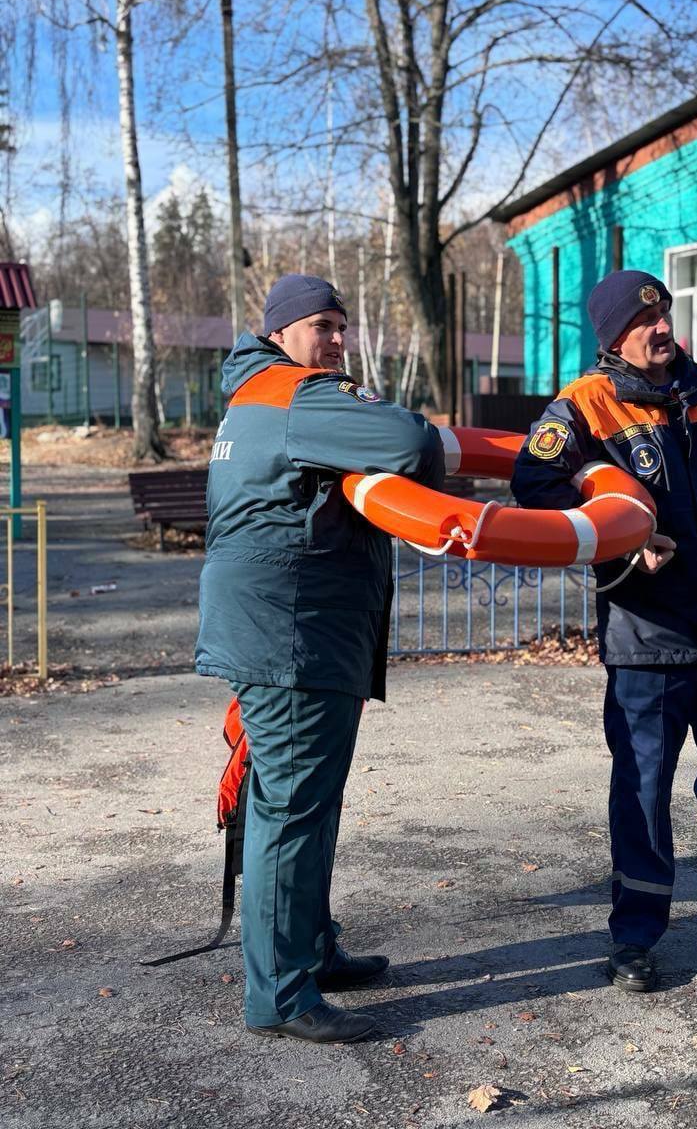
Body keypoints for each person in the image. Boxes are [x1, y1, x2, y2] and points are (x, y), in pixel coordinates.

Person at [511, 269, 697, 992]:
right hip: (645, 636)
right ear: (614, 335)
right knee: (644, 787)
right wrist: (621, 530)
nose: (660, 328)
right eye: (643, 320)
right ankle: (635, 939)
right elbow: (534, 481)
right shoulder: (585, 403)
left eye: (664, 313)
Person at [196, 274, 445, 1043]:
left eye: (341, 326)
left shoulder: (259, 396)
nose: (336, 341)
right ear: (279, 332)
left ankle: (309, 951)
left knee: (308, 803)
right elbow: (411, 442)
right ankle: (282, 995)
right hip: (291, 634)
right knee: (291, 813)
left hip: (290, 629)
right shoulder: (297, 396)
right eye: (320, 326)